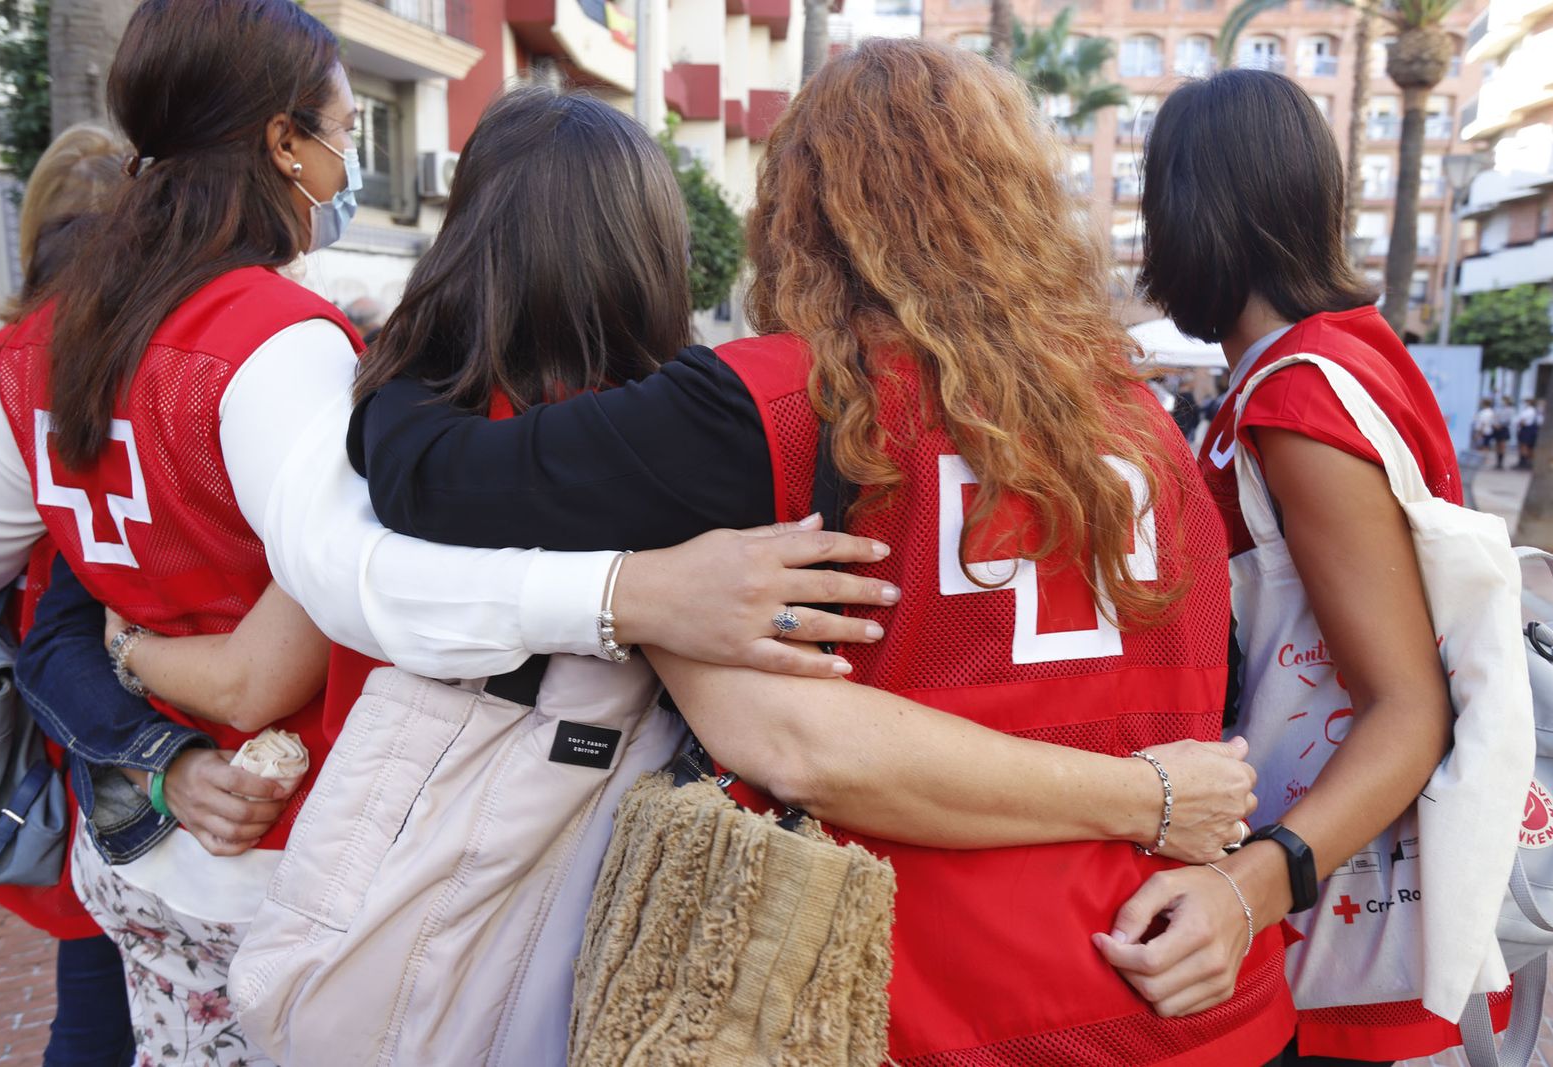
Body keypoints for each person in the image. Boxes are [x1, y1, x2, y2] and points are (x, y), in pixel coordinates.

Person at [0, 2, 899, 1062]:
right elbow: (329, 601)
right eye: (342, 130)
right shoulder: (276, 344)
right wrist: (628, 593)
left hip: (147, 845)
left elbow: (30, 581)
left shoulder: (38, 349)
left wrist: (129, 692)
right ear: (284, 142)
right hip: (304, 847)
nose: (346, 165)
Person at [348, 45, 1290, 1065]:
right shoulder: (1142, 420)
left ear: (802, 204)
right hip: (1190, 986)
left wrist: (413, 339)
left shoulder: (774, 403)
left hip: (927, 1002)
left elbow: (430, 476)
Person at [1135, 69, 1501, 1066]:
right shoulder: (1341, 356)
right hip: (1331, 875)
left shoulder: (1297, 401)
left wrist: (1254, 882)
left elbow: (1404, 704)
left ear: (1190, 212)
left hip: (1320, 896)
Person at [0, 122, 140, 1067]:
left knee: (93, 1000)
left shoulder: (13, 360)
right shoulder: (175, 345)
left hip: (66, 715)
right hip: (172, 697)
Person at [1516, 396, 1540, 470]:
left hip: (1527, 429)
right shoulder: (1531, 410)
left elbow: (1523, 421)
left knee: (1525, 446)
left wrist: (1519, 425)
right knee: (1527, 446)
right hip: (1528, 429)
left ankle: (1524, 462)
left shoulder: (1529, 411)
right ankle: (1526, 462)